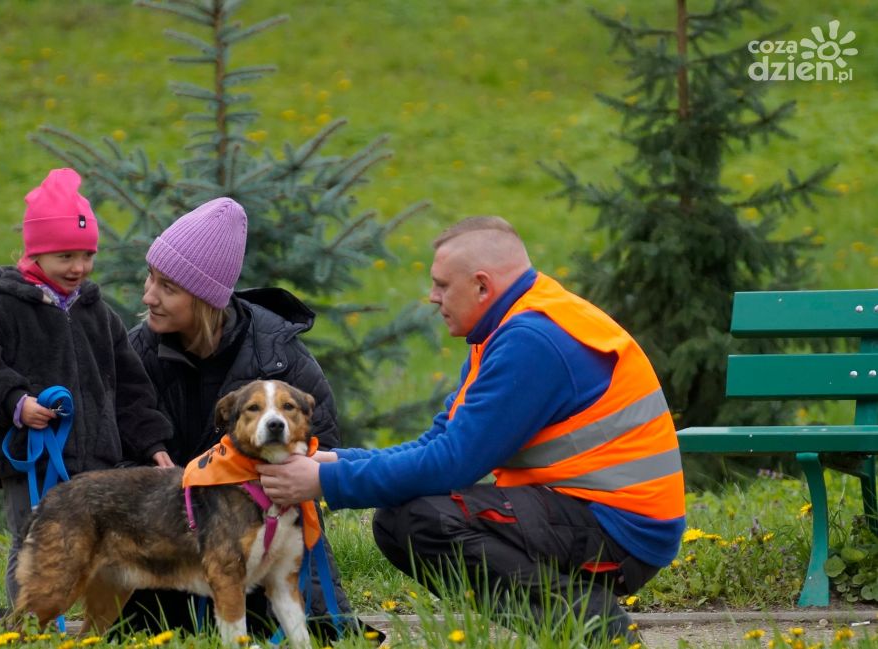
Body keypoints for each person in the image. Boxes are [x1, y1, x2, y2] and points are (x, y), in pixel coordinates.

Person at [258, 216, 687, 641]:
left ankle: (593, 629)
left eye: (443, 285)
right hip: (598, 515)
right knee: (406, 518)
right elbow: (440, 443)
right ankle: (576, 624)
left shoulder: (531, 341)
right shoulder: (507, 326)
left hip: (621, 532)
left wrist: (326, 481)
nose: (432, 297)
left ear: (482, 285)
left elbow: (452, 465)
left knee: (418, 522)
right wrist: (332, 461)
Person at [124, 196, 374, 642]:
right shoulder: (136, 354)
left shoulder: (280, 357)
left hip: (266, 533)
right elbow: (113, 449)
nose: (148, 296)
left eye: (167, 287)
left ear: (203, 300)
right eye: (151, 278)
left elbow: (320, 446)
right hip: (168, 539)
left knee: (319, 635)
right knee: (144, 635)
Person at [0, 168, 175, 611]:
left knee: (105, 544)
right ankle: (29, 626)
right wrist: (17, 403)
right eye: (65, 256)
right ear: (35, 254)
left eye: (87, 255)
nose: (78, 267)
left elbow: (130, 386)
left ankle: (101, 627)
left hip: (95, 459)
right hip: (30, 457)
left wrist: (151, 441)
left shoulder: (98, 313)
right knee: (34, 540)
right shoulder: (2, 306)